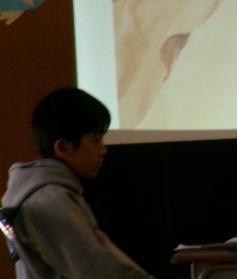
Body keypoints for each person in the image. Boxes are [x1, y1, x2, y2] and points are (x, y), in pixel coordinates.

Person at [1, 88, 155, 279]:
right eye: (95, 141)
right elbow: (97, 269)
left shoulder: (52, 193)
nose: (103, 150)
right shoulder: (49, 201)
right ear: (63, 147)